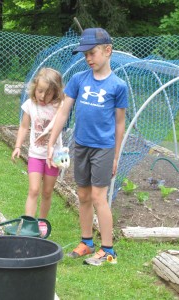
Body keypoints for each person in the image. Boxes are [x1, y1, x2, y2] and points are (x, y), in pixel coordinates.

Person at [47, 28, 128, 265]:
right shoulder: (78, 79)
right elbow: (63, 111)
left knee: (98, 197)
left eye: (92, 53)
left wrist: (115, 156)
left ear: (108, 50)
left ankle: (108, 249)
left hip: (103, 147)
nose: (88, 58)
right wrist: (52, 142)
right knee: (82, 194)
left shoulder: (118, 85)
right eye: (85, 55)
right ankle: (86, 242)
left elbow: (120, 123)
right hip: (80, 145)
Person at [11, 67, 64, 236]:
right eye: (40, 91)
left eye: (48, 93)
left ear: (55, 93)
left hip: (54, 157)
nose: (42, 96)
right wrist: (18, 146)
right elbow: (24, 127)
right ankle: (28, 223)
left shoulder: (59, 107)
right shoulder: (29, 105)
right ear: (35, 88)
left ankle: (42, 222)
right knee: (34, 190)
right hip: (35, 155)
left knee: (47, 192)